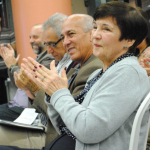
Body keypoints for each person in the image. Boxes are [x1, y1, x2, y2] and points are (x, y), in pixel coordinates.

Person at [10, 1, 150, 150]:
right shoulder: (100, 73)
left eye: (106, 29)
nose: (95, 35)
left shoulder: (128, 72)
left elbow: (87, 130)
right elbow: (67, 127)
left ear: (129, 40)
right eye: (95, 27)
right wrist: (52, 94)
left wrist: (58, 92)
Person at [0, 24, 54, 121]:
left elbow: (28, 80)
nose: (31, 41)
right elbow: (19, 84)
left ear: (46, 39)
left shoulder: (49, 59)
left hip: (28, 111)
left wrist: (12, 65)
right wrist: (11, 65)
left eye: (35, 37)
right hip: (15, 105)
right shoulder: (38, 57)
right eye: (30, 37)